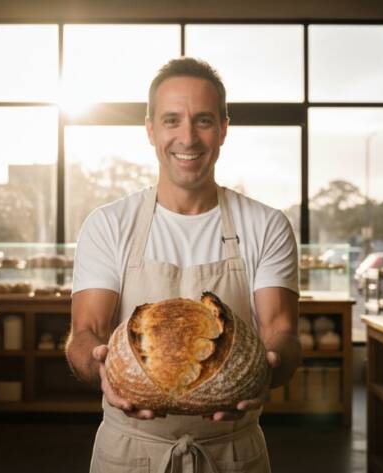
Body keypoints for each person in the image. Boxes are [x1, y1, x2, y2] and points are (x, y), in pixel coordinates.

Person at [65, 57, 300, 473]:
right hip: (128, 454)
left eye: (203, 120)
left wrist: (269, 369)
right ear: (150, 129)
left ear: (224, 128)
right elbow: (85, 334)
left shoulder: (266, 225)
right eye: (172, 120)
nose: (187, 137)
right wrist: (100, 367)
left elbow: (281, 332)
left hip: (233, 453)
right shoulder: (109, 225)